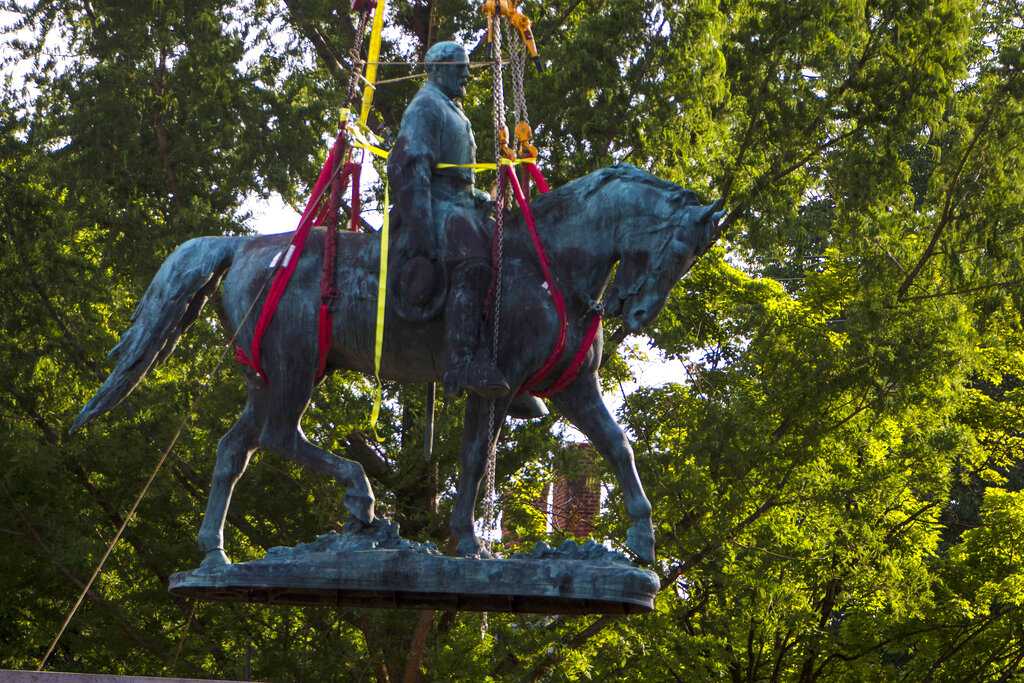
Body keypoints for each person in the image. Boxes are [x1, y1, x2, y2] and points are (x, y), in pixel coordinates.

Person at [386, 41, 510, 399]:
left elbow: (459, 176)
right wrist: (422, 228)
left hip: (457, 203)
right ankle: (462, 361)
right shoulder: (426, 106)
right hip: (433, 205)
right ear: (438, 68)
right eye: (460, 67)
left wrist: (477, 197)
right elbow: (412, 169)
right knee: (473, 260)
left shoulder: (451, 108)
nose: (467, 74)